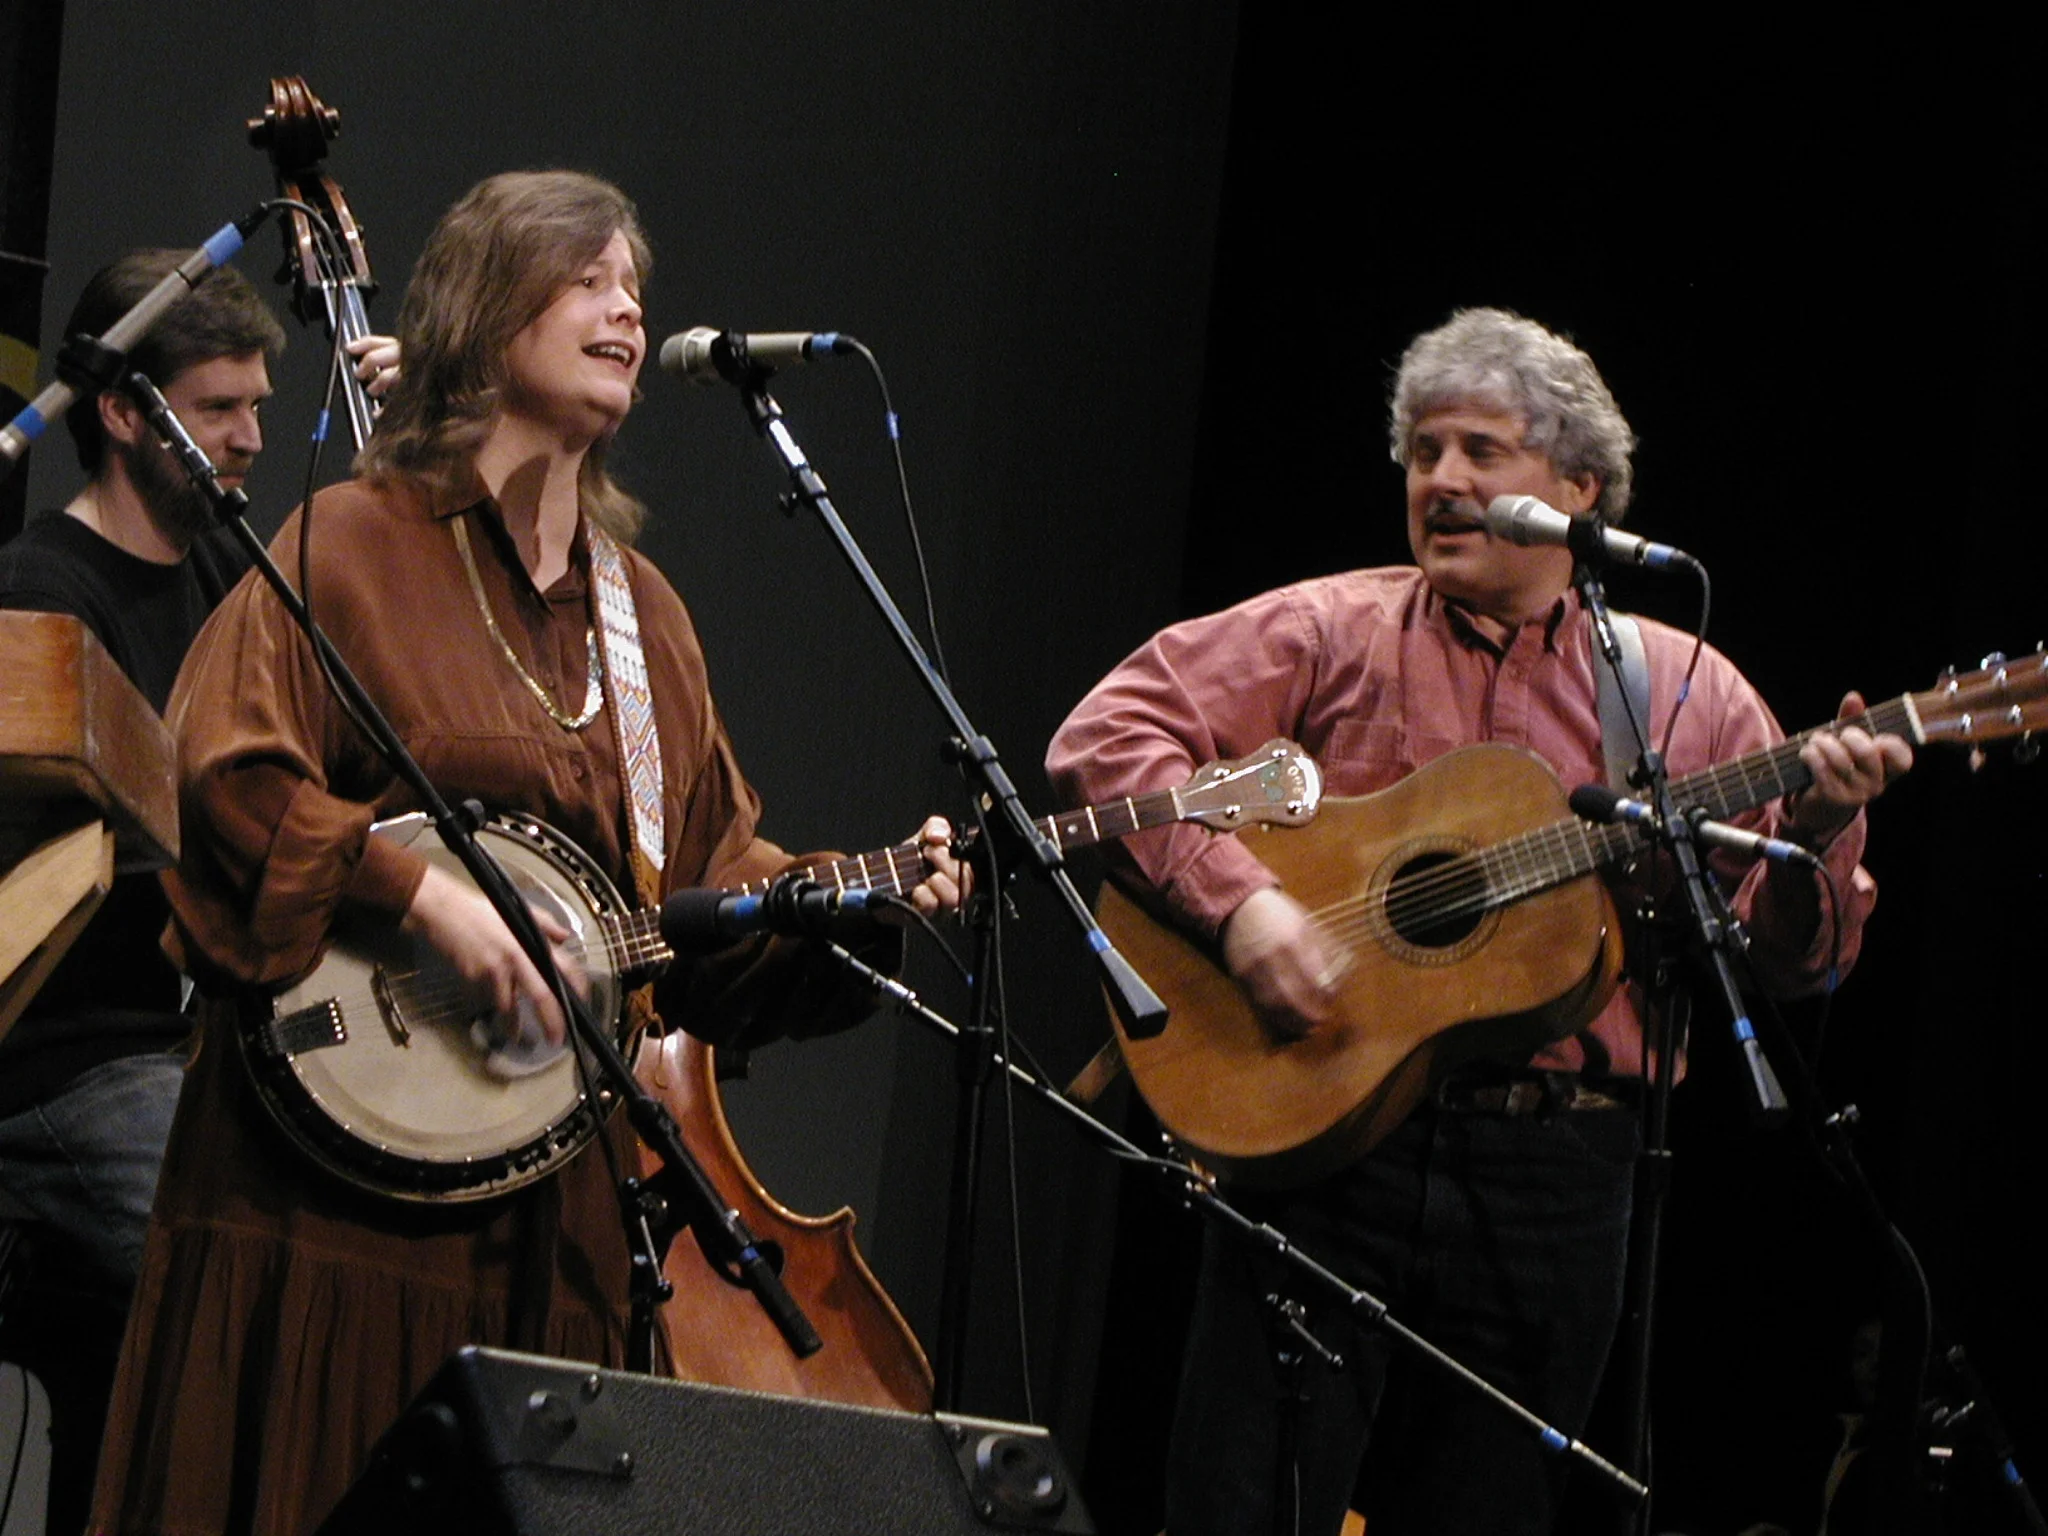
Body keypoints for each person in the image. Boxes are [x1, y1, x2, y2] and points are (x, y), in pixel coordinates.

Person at [85, 171, 964, 1536]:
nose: (626, 307)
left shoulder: (646, 620)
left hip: (550, 1231)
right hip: (329, 1223)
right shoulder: (353, 547)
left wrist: (856, 898)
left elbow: (697, 903)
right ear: (488, 315)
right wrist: (423, 896)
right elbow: (219, 783)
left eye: (635, 288)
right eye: (587, 280)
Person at [1046, 307, 1913, 1536]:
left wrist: (1819, 828)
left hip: (1559, 1178)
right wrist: (1242, 916)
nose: (1439, 481)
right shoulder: (1327, 629)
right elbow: (1101, 745)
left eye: (1479, 453)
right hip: (1328, 1135)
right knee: (1242, 1508)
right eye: (1419, 452)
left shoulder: (1684, 691)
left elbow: (1794, 965)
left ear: (1578, 490)